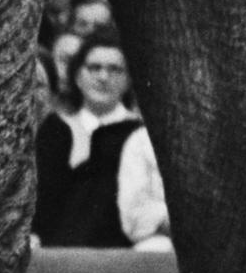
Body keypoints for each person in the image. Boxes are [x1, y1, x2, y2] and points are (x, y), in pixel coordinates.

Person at [31, 37, 165, 251]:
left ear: (129, 79)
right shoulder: (54, 129)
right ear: (77, 75)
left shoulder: (142, 135)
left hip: (124, 254)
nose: (103, 77)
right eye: (94, 68)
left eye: (115, 69)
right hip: (55, 253)